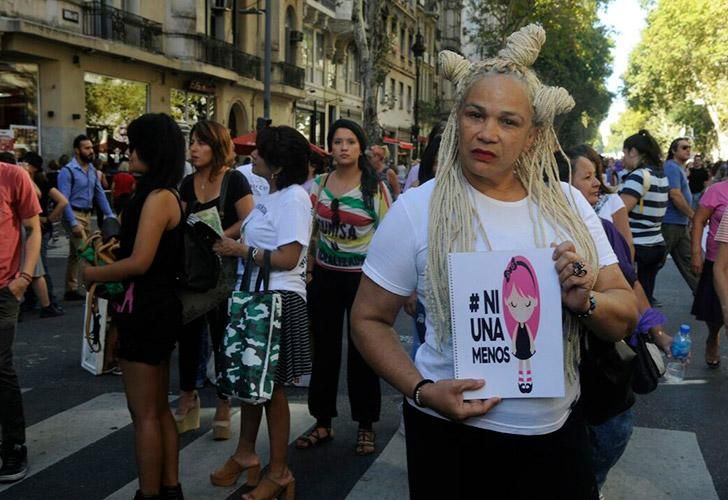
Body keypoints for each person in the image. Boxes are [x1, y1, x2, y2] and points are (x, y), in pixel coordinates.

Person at [350, 25, 638, 499]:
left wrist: (584, 300)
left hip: (555, 439)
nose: (487, 133)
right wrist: (422, 390)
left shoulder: (567, 203)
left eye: (508, 121)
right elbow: (367, 319)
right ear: (457, 119)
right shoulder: (418, 209)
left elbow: (622, 315)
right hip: (448, 439)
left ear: (532, 136)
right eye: (475, 115)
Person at [82, 113, 186, 500]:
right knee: (158, 409)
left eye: (134, 144)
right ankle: (170, 487)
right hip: (156, 308)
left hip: (146, 309)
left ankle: (149, 492)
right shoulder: (161, 193)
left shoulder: (158, 198)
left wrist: (93, 273)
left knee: (143, 412)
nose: (127, 151)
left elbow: (140, 262)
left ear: (152, 149)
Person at [557, 145, 672, 493]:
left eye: (598, 175)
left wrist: (653, 329)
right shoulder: (533, 232)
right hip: (562, 385)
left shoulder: (603, 232)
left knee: (606, 438)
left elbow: (631, 289)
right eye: (587, 176)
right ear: (563, 184)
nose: (598, 184)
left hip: (603, 371)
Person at [209, 126, 312, 500]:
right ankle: (246, 454)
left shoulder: (295, 200)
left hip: (279, 302)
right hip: (256, 299)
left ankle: (280, 472)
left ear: (278, 163)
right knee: (252, 386)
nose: (252, 155)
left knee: (272, 391)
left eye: (260, 152)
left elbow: (289, 258)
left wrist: (239, 251)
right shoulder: (273, 194)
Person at [296, 119, 392, 456]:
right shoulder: (318, 185)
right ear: (330, 147)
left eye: (350, 141)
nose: (343, 147)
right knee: (324, 350)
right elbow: (311, 234)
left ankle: (366, 424)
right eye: (337, 142)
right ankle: (322, 422)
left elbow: (387, 237)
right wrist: (307, 270)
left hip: (363, 281)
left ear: (360, 147)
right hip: (324, 277)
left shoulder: (375, 189)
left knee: (362, 352)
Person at [175, 120, 254, 438]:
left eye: (201, 142)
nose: (193, 148)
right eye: (192, 142)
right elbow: (177, 221)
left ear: (217, 147)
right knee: (189, 337)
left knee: (223, 338)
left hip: (223, 273)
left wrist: (222, 235)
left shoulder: (234, 180)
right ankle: (187, 397)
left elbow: (250, 219)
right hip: (192, 272)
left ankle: (223, 403)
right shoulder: (185, 184)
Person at [0, 160, 41, 483]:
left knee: (0, 364)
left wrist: (24, 277)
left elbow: (32, 227)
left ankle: (14, 444)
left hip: (5, 288)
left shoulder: (13, 176)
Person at [58, 135, 115, 301]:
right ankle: (94, 286)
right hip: (73, 214)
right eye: (87, 148)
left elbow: (99, 193)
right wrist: (73, 223)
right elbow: (63, 200)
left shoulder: (91, 170)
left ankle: (71, 289)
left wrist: (110, 214)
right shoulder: (67, 171)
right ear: (77, 150)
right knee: (86, 252)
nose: (91, 151)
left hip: (87, 214)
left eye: (91, 148)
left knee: (75, 254)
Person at [618, 130, 669, 306]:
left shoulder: (639, 176)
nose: (623, 158)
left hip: (638, 245)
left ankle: (640, 330)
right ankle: (648, 329)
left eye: (624, 152)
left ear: (633, 151)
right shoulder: (660, 175)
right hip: (655, 243)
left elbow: (621, 210)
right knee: (646, 295)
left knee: (633, 297)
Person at [22, 152, 67, 317]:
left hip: (38, 229)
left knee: (38, 267)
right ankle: (33, 300)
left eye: (24, 163)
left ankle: (48, 302)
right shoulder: (40, 181)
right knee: (34, 266)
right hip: (38, 227)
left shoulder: (39, 183)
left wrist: (47, 219)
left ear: (32, 166)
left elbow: (63, 202)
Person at [690, 176, 728, 367]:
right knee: (715, 314)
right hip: (717, 262)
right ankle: (713, 337)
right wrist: (696, 252)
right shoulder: (717, 190)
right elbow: (698, 221)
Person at [573, 146, 635, 259]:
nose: (596, 182)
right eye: (587, 177)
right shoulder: (555, 211)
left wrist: (628, 274)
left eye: (595, 174)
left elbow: (627, 244)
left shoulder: (611, 201)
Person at [659, 137, 699, 292]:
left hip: (679, 224)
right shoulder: (671, 167)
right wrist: (692, 215)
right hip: (670, 223)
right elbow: (675, 194)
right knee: (655, 263)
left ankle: (705, 299)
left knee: (690, 262)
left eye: (689, 147)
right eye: (684, 147)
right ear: (674, 150)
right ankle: (639, 294)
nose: (688, 150)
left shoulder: (679, 168)